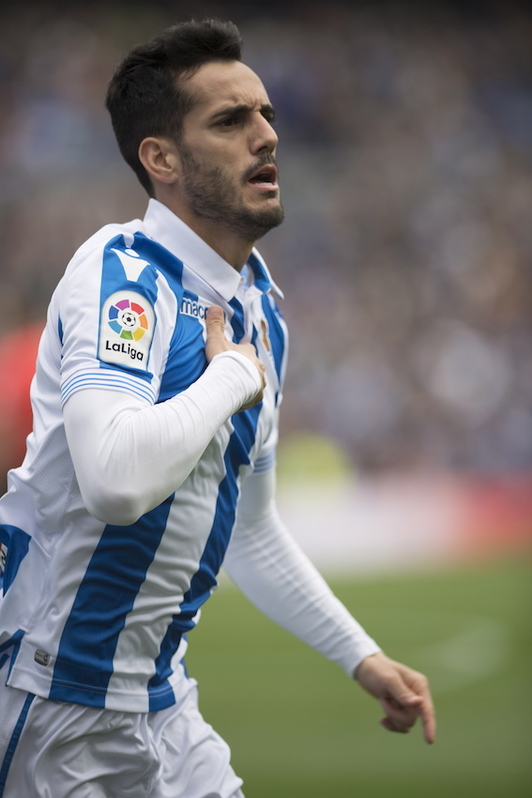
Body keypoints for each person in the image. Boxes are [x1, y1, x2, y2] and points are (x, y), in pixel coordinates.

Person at [0, 19, 435, 798]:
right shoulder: (122, 276)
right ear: (161, 158)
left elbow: (252, 531)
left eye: (266, 113)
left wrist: (360, 655)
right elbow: (114, 483)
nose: (267, 136)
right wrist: (230, 378)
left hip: (163, 701)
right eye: (230, 121)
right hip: (50, 698)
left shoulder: (259, 311)